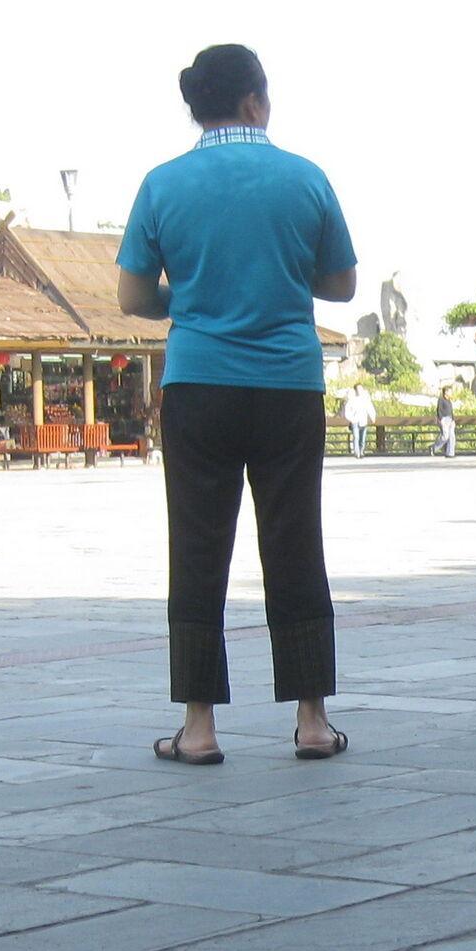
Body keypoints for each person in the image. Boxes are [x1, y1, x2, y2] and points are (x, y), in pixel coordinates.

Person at [118, 43, 354, 764]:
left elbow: (132, 296)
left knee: (196, 548)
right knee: (295, 543)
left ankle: (198, 728)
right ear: (255, 100)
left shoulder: (162, 183)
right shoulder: (305, 177)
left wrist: (191, 297)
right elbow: (341, 284)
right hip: (288, 386)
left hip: (199, 386)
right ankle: (312, 721)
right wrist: (279, 279)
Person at [343, 380, 376, 459]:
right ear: (355, 390)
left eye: (361, 389)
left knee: (362, 438)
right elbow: (347, 410)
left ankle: (361, 451)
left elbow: (370, 408)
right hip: (355, 421)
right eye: (358, 389)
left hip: (363, 420)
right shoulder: (352, 399)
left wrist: (373, 417)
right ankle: (357, 453)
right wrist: (351, 418)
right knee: (356, 437)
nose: (359, 391)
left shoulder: (365, 399)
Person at [433, 382, 460, 459]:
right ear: (446, 392)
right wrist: (440, 419)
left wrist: (453, 420)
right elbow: (439, 410)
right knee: (445, 436)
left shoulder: (449, 401)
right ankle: (434, 447)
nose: (451, 393)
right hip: (444, 419)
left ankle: (450, 453)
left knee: (452, 437)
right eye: (450, 391)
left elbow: (451, 411)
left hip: (450, 419)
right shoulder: (441, 399)